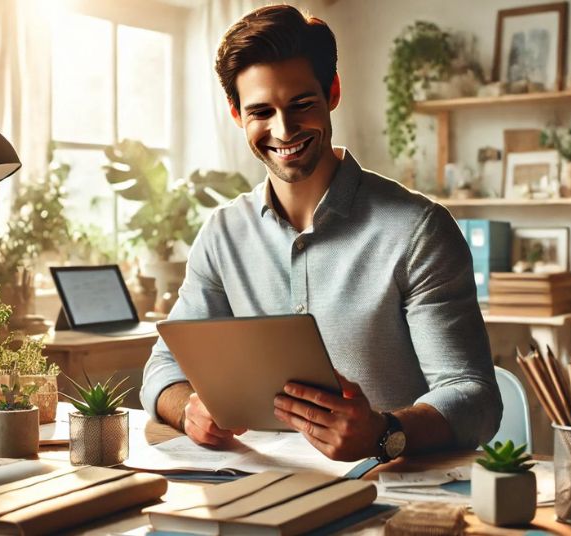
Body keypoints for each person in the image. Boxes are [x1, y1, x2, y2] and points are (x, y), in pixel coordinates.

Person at [140, 4, 501, 462]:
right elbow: (163, 365)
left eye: (301, 104)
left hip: (388, 492)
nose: (283, 129)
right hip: (257, 489)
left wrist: (384, 432)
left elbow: (474, 396)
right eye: (260, 111)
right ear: (236, 114)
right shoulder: (222, 234)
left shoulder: (418, 231)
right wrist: (186, 409)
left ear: (332, 92)